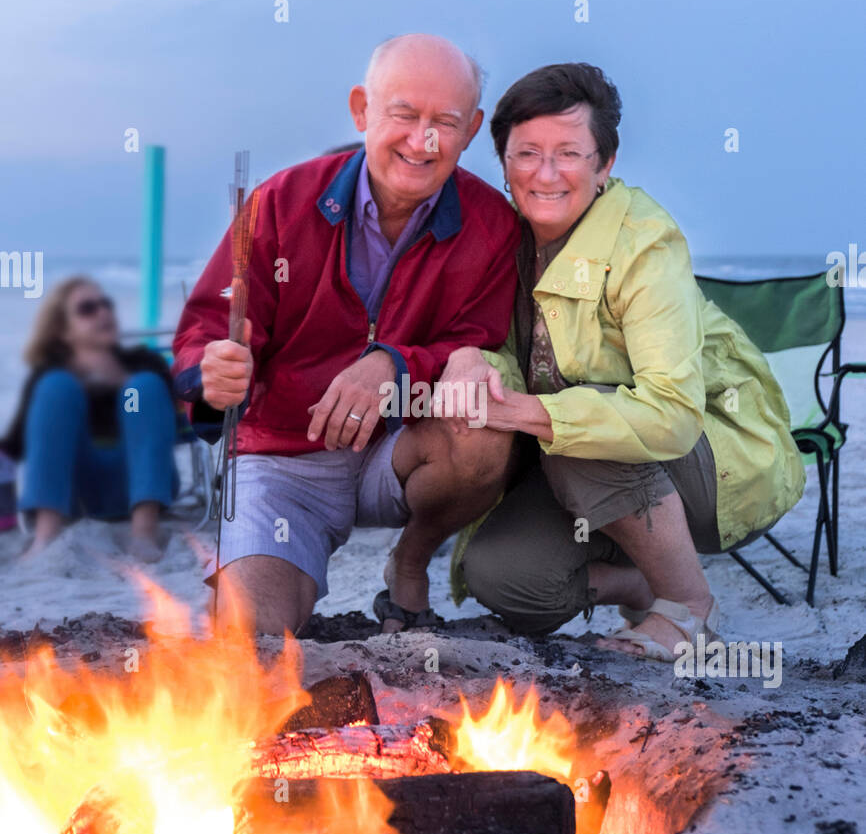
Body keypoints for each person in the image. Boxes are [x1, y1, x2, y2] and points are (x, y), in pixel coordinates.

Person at [439, 62, 805, 661]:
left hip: (716, 464)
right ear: (503, 162)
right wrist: (470, 361)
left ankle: (690, 608)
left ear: (604, 163)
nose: (547, 173)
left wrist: (534, 414)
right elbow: (509, 352)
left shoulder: (644, 241)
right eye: (526, 153)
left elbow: (670, 414)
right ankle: (644, 581)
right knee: (502, 576)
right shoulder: (503, 238)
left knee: (580, 436)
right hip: (600, 481)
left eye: (570, 153)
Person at [172, 33, 521, 635]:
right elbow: (210, 324)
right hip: (285, 461)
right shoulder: (281, 201)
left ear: (472, 129)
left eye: (445, 121)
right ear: (362, 109)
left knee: (484, 422)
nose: (423, 140)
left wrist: (391, 364)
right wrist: (212, 373)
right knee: (248, 642)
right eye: (404, 115)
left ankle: (410, 561)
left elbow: (480, 339)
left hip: (405, 445)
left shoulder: (494, 224)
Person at [1, 277, 179, 560]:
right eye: (87, 309)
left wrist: (121, 381)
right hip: (76, 490)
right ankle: (45, 534)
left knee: (141, 387)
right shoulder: (50, 375)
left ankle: (144, 533)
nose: (103, 313)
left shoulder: (144, 362)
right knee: (56, 386)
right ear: (63, 331)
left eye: (105, 304)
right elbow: (16, 444)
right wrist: (77, 381)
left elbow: (167, 423)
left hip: (137, 479)